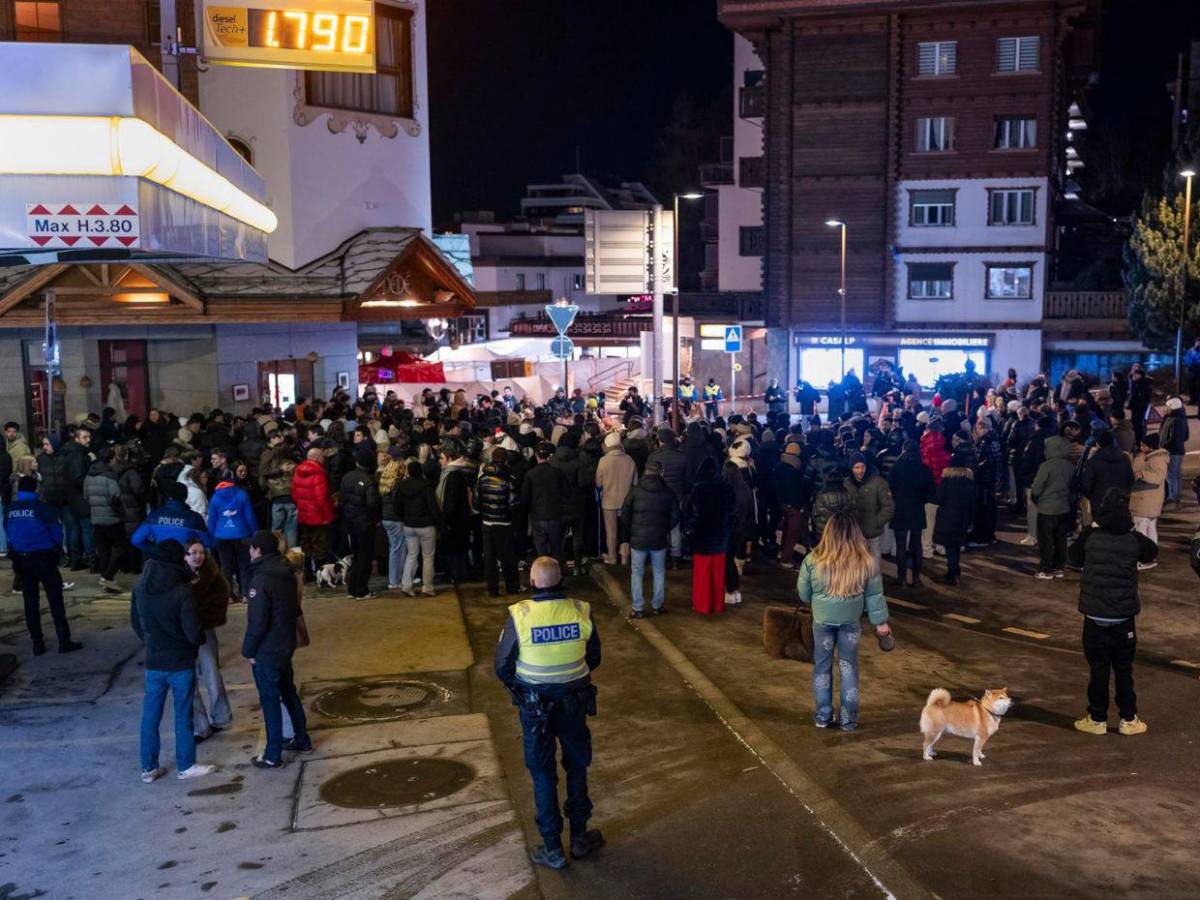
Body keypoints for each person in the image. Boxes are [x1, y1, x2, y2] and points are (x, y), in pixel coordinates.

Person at [494, 556, 603, 869]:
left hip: (535, 706)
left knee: (543, 773)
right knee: (577, 766)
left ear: (531, 582)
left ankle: (552, 848)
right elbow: (593, 657)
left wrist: (527, 684)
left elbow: (502, 666)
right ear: (562, 580)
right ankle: (580, 838)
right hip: (574, 703)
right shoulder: (581, 610)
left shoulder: (520, 615)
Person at [1067, 488, 1155, 737]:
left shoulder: (1090, 537)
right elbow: (1151, 552)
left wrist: (1090, 530)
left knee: (1098, 669)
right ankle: (1129, 718)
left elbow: (1072, 557)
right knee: (1124, 669)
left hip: (1095, 616)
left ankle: (1096, 718)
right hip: (1123, 617)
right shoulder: (1132, 539)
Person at [795, 512, 890, 731]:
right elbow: (874, 597)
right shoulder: (866, 561)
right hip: (850, 623)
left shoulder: (813, 560)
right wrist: (881, 623)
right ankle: (848, 720)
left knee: (822, 667)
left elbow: (803, 593)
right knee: (848, 669)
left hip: (822, 622)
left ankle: (823, 716)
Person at [130, 538, 214, 782]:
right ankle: (186, 765)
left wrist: (150, 642)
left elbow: (136, 622)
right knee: (182, 713)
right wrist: (194, 641)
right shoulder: (182, 590)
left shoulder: (142, 587)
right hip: (180, 661)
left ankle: (148, 767)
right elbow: (193, 631)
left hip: (154, 660)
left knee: (150, 715)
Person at [242, 530, 312, 768]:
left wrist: (248, 650)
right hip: (285, 644)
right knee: (289, 692)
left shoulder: (261, 580)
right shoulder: (287, 573)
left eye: (251, 548)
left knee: (271, 700)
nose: (249, 552)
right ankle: (302, 739)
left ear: (258, 550)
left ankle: (272, 754)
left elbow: (258, 621)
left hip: (267, 649)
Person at [5, 476, 81, 655]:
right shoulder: (44, 509)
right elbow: (56, 533)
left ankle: (37, 643)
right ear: (36, 489)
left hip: (23, 560)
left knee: (30, 603)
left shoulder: (10, 510)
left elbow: (9, 534)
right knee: (56, 601)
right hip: (44, 559)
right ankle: (64, 641)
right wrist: (57, 552)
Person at [184, 538, 232, 742]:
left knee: (212, 672)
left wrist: (205, 615)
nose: (198, 556)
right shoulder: (177, 575)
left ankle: (220, 717)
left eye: (201, 552)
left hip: (204, 630)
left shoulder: (211, 572)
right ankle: (200, 727)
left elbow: (223, 593)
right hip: (184, 634)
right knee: (188, 681)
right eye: (193, 553)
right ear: (184, 556)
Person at [620, 460, 680, 618]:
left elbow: (625, 514)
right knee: (659, 572)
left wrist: (632, 530)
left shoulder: (635, 491)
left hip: (638, 540)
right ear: (661, 473)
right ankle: (657, 605)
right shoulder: (668, 492)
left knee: (637, 573)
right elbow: (676, 515)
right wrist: (664, 528)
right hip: (659, 539)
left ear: (645, 472)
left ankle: (637, 608)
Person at [684, 457, 733, 614]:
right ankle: (718, 605)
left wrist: (689, 531)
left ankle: (702, 605)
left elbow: (693, 515)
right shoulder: (726, 488)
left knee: (702, 575)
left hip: (702, 539)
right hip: (721, 538)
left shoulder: (698, 489)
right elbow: (732, 512)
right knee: (718, 575)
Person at [889, 439, 935, 587]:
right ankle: (916, 578)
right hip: (917, 509)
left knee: (901, 546)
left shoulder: (896, 468)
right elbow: (931, 492)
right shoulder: (924, 469)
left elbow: (891, 488)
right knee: (917, 546)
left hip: (901, 509)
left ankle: (901, 578)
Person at [207, 474, 259, 601]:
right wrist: (255, 533)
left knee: (226, 566)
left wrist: (211, 538)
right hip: (242, 534)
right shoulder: (242, 495)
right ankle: (246, 594)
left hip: (221, 536)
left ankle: (228, 596)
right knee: (244, 564)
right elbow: (250, 517)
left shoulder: (215, 498)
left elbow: (212, 520)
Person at [476, 451, 520, 597]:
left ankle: (493, 589)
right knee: (507, 558)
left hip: (487, 523)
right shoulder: (510, 479)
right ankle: (512, 587)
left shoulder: (482, 478)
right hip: (504, 524)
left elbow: (476, 503)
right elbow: (513, 504)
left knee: (489, 559)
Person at [396, 460, 443, 596]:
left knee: (411, 555)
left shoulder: (402, 486)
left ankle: (406, 585)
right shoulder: (427, 487)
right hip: (426, 526)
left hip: (409, 526)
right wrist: (440, 523)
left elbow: (397, 507)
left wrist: (404, 518)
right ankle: (427, 587)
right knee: (428, 557)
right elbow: (433, 508)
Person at [340, 447, 382, 600]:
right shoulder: (370, 480)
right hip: (365, 523)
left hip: (351, 522)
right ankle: (361, 590)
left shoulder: (347, 477)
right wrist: (375, 519)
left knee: (356, 556)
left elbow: (342, 500)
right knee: (365, 557)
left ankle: (352, 588)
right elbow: (372, 503)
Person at [83, 448, 127, 592]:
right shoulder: (110, 476)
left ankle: (106, 578)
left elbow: (86, 496)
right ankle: (108, 577)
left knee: (103, 550)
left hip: (96, 517)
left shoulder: (89, 475)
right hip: (112, 518)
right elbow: (115, 497)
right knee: (120, 548)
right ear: (110, 459)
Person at [1030, 435, 1074, 579]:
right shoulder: (1070, 466)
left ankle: (1045, 568)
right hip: (1064, 508)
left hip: (1047, 508)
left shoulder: (1046, 466)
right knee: (1061, 539)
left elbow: (1037, 487)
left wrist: (1036, 498)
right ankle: (1058, 567)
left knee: (1046, 540)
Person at [844, 451, 894, 573]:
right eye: (857, 467)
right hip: (854, 530)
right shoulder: (846, 483)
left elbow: (888, 507)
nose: (860, 470)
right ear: (851, 469)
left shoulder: (878, 482)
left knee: (874, 556)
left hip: (872, 530)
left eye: (862, 467)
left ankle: (873, 581)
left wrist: (876, 522)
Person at [523, 441, 572, 565]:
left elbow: (525, 498)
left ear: (536, 455)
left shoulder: (531, 474)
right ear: (549, 456)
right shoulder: (557, 472)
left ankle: (544, 579)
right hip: (555, 515)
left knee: (541, 551)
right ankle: (558, 576)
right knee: (557, 550)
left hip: (538, 516)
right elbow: (567, 493)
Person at [933, 448, 976, 586]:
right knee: (956, 545)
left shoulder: (947, 479)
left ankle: (954, 572)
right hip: (963, 516)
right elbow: (973, 499)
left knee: (950, 545)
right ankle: (954, 571)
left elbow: (940, 498)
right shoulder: (969, 479)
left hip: (947, 515)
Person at [132, 482, 211, 556]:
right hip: (185, 563)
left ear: (168, 496)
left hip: (161, 562)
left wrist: (157, 550)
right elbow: (207, 542)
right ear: (186, 497)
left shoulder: (154, 515)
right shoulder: (195, 518)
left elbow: (136, 540)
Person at [292, 447, 335, 582]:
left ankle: (307, 574)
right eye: (322, 456)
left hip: (304, 515)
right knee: (320, 546)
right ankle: (321, 575)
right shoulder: (318, 474)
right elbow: (321, 498)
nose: (324, 459)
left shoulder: (298, 472)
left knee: (307, 545)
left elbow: (294, 494)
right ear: (316, 457)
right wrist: (328, 517)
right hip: (318, 517)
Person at [595, 432, 637, 565]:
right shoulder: (629, 460)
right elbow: (636, 482)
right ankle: (625, 556)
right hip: (627, 501)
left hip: (609, 501)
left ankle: (612, 556)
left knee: (611, 531)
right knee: (626, 530)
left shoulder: (603, 461)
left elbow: (598, 484)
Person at [1129, 434, 1169, 559]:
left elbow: (1158, 478)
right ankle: (1152, 555)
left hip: (1145, 501)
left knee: (1141, 531)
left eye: (1143, 445)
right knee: (1150, 529)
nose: (1141, 447)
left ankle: (1144, 557)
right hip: (1148, 500)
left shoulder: (1156, 460)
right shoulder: (1150, 458)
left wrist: (1142, 474)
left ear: (1150, 446)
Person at [379, 451, 408, 591]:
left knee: (394, 549)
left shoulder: (384, 481)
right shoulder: (397, 483)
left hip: (386, 518)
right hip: (396, 520)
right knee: (398, 550)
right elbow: (399, 504)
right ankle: (395, 581)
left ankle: (394, 580)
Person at [1159, 396, 1189, 507]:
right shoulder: (1181, 419)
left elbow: (1172, 438)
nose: (1165, 408)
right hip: (1179, 450)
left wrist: (1163, 445)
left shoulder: (1173, 420)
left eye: (1167, 407)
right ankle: (1176, 495)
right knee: (1176, 474)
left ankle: (1173, 497)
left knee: (1171, 475)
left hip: (1172, 451)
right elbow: (1186, 436)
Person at [1127, 365, 1152, 446]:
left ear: (1139, 375)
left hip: (1139, 408)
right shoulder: (1135, 382)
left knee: (1139, 424)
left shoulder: (1142, 384)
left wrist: (1136, 402)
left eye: (1135, 373)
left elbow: (1143, 397)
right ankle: (1137, 440)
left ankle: (1139, 441)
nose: (1133, 374)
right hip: (1136, 407)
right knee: (1136, 424)